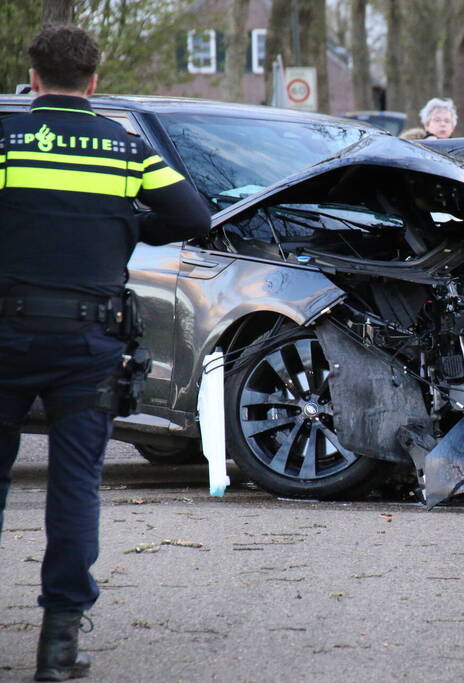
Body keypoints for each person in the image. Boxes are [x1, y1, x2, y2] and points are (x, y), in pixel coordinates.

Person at [0, 25, 210, 681]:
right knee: (72, 491)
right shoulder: (123, 148)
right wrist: (125, 221)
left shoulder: (4, 142)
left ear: (32, 80)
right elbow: (193, 217)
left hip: (3, 334)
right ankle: (57, 650)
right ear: (93, 83)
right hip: (87, 344)